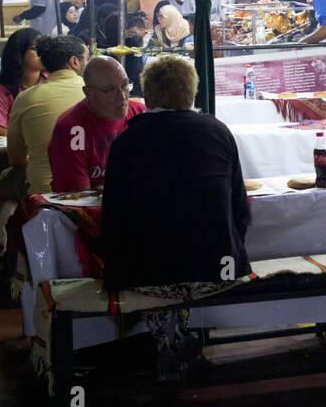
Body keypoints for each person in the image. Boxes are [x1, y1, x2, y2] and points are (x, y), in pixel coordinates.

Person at [101, 54, 250, 288]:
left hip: (148, 274)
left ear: (147, 94)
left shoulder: (127, 141)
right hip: (219, 268)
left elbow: (112, 218)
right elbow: (240, 208)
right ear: (192, 93)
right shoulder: (218, 132)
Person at [47, 56, 145, 192]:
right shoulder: (73, 129)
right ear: (88, 93)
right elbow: (78, 196)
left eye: (125, 85)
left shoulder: (141, 114)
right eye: (110, 90)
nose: (122, 96)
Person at [5, 34, 88, 195]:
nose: (88, 63)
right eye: (86, 58)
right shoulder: (95, 92)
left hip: (42, 192)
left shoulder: (25, 98)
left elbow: (15, 160)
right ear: (74, 62)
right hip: (92, 189)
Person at [0, 27, 43, 135]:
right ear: (18, 53)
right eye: (35, 49)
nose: (42, 53)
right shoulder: (1, 90)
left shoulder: (53, 80)